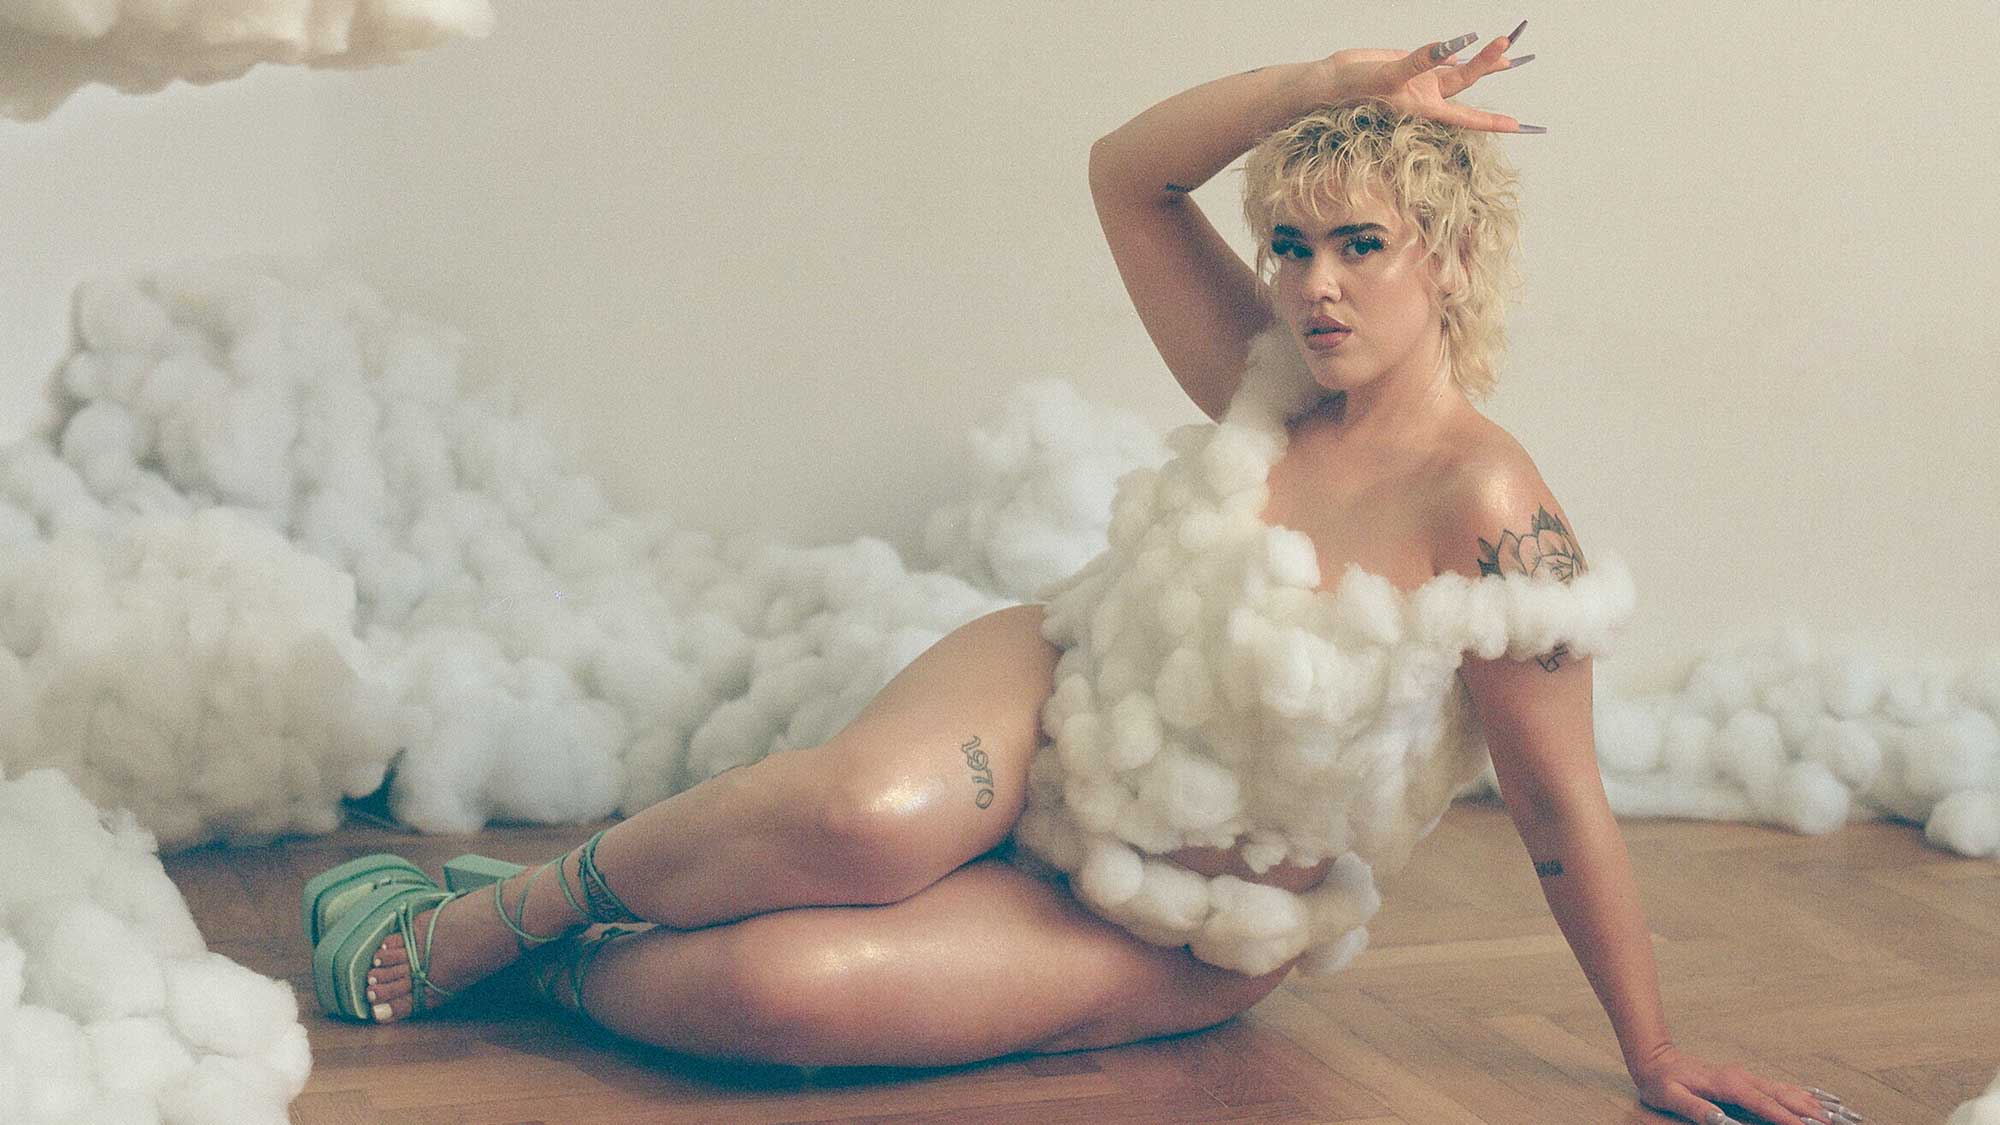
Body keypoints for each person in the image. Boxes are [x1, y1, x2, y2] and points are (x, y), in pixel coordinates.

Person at [303, 26, 1861, 1125]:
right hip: (1059, 690)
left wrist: (1652, 1050)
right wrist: (1324, 88)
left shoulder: (1494, 506)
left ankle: (555, 969)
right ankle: (488, 921)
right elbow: (1127, 173)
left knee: (784, 992)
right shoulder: (1266, 377)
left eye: (1361, 245)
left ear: (1445, 259)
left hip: (1181, 911)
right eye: (1292, 243)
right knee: (864, 816)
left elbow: (1559, 806)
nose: (1316, 285)